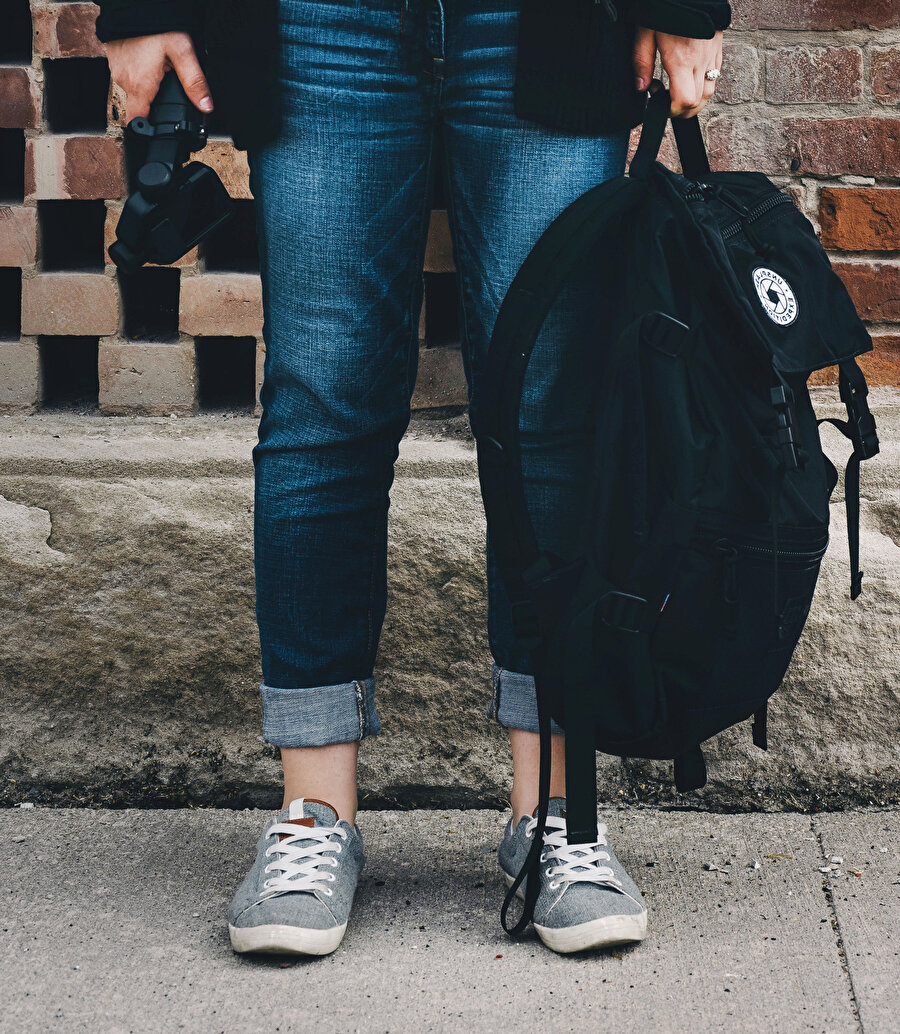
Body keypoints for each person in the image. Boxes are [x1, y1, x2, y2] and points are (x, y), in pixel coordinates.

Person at [97, 0, 727, 957]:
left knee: (548, 410)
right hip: (320, 19)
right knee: (322, 402)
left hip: (549, 16)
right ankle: (313, 814)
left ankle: (555, 815)